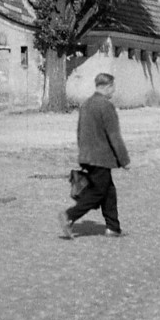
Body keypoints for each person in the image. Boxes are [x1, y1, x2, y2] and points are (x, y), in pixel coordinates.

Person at [59, 72, 130, 239]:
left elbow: (79, 132)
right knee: (98, 192)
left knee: (109, 191)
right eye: (112, 87)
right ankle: (69, 216)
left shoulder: (86, 105)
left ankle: (113, 227)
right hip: (101, 157)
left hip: (87, 156)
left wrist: (82, 154)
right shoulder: (105, 106)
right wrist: (124, 160)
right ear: (106, 87)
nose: (114, 91)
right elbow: (114, 135)